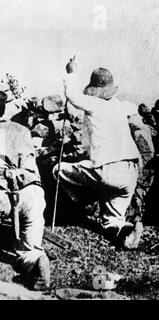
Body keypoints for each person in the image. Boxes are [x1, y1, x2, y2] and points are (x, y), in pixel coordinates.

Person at [53, 56, 143, 249]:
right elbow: (134, 109)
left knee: (58, 169)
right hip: (130, 173)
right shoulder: (120, 105)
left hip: (107, 170)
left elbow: (73, 96)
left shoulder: (96, 104)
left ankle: (82, 202)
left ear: (94, 89)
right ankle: (125, 232)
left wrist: (71, 72)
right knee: (111, 220)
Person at [0, 87, 50, 290]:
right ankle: (35, 259)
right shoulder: (22, 130)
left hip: (1, 197)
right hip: (33, 194)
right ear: (3, 109)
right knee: (27, 249)